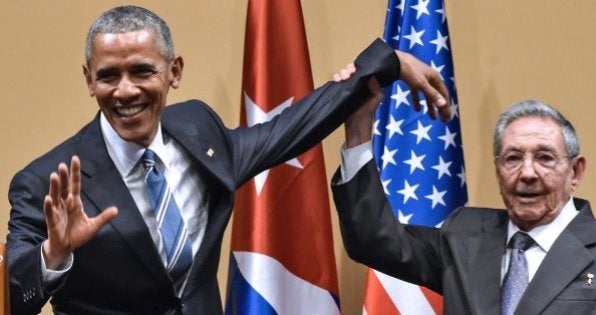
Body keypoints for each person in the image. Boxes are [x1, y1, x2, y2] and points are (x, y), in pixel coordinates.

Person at [5, 5, 452, 315]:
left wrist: (386, 62)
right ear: (89, 80)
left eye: (142, 71)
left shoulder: (199, 131)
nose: (125, 91)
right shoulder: (49, 181)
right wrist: (53, 254)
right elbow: (14, 298)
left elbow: (289, 129)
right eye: (108, 76)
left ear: (173, 72)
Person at [332, 96, 596, 314]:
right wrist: (359, 127)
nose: (527, 173)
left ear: (575, 172)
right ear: (498, 171)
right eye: (512, 158)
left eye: (545, 158)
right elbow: (371, 240)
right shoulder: (464, 234)